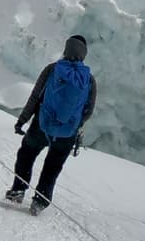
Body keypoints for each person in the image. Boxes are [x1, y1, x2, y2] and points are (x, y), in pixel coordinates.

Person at [7, 34, 97, 214]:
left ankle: (18, 190)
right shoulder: (88, 79)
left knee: (27, 154)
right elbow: (89, 109)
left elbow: (35, 96)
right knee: (53, 166)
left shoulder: (53, 69)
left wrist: (22, 120)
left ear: (66, 49)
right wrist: (73, 124)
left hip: (42, 125)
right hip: (67, 133)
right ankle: (40, 201)